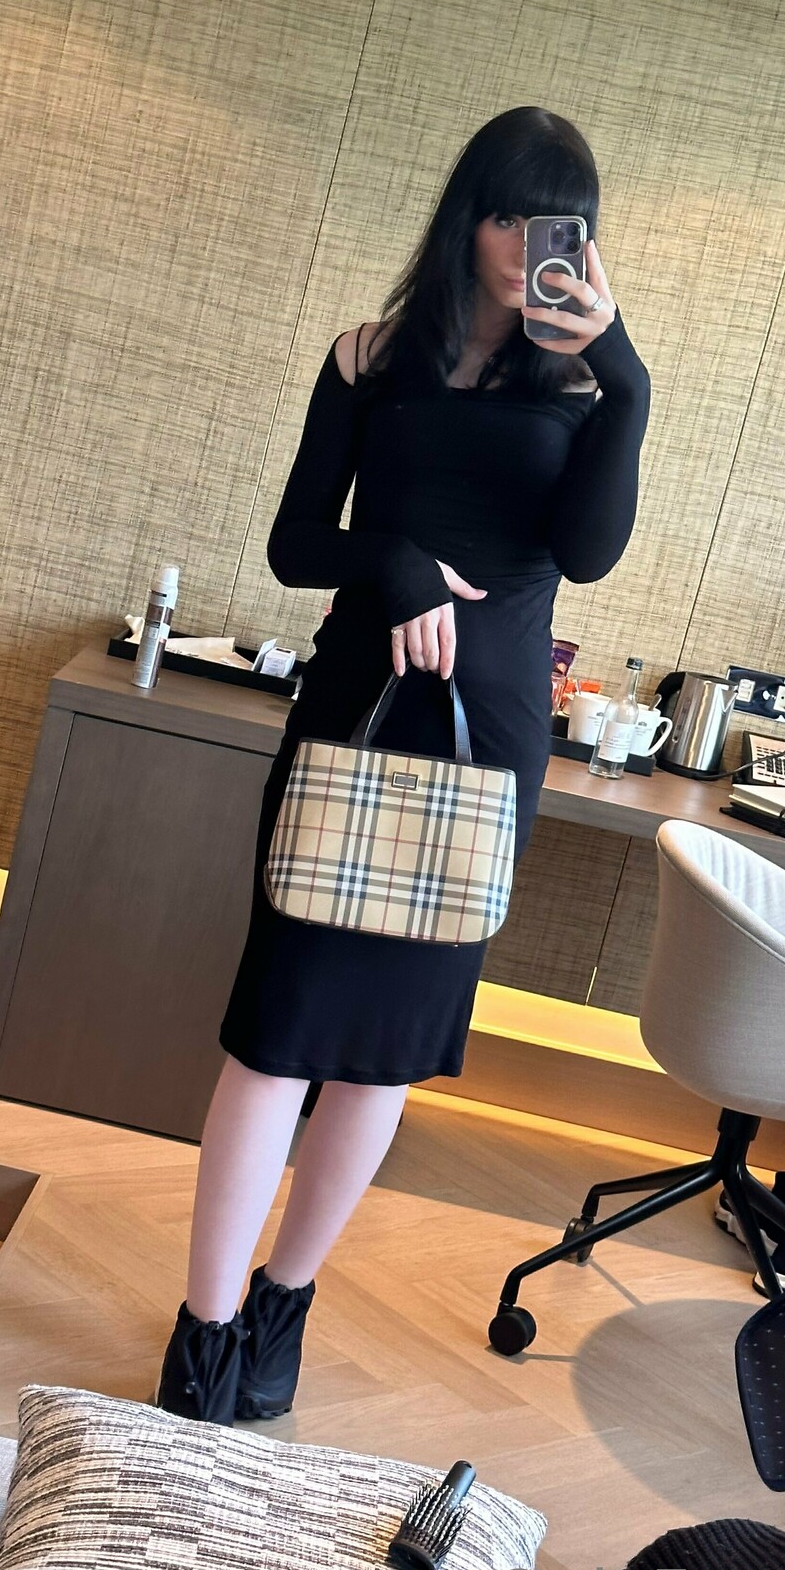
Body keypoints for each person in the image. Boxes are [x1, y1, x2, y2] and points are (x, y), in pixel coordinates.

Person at [154, 106, 651, 1423]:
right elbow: (296, 544)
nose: (528, 247)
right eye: (509, 215)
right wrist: (397, 562)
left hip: (491, 737)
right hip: (354, 707)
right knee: (278, 1032)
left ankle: (283, 1309)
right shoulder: (369, 357)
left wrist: (628, 377)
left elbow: (588, 554)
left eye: (555, 224)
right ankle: (203, 1335)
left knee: (382, 1052)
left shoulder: (586, 387)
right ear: (467, 215)